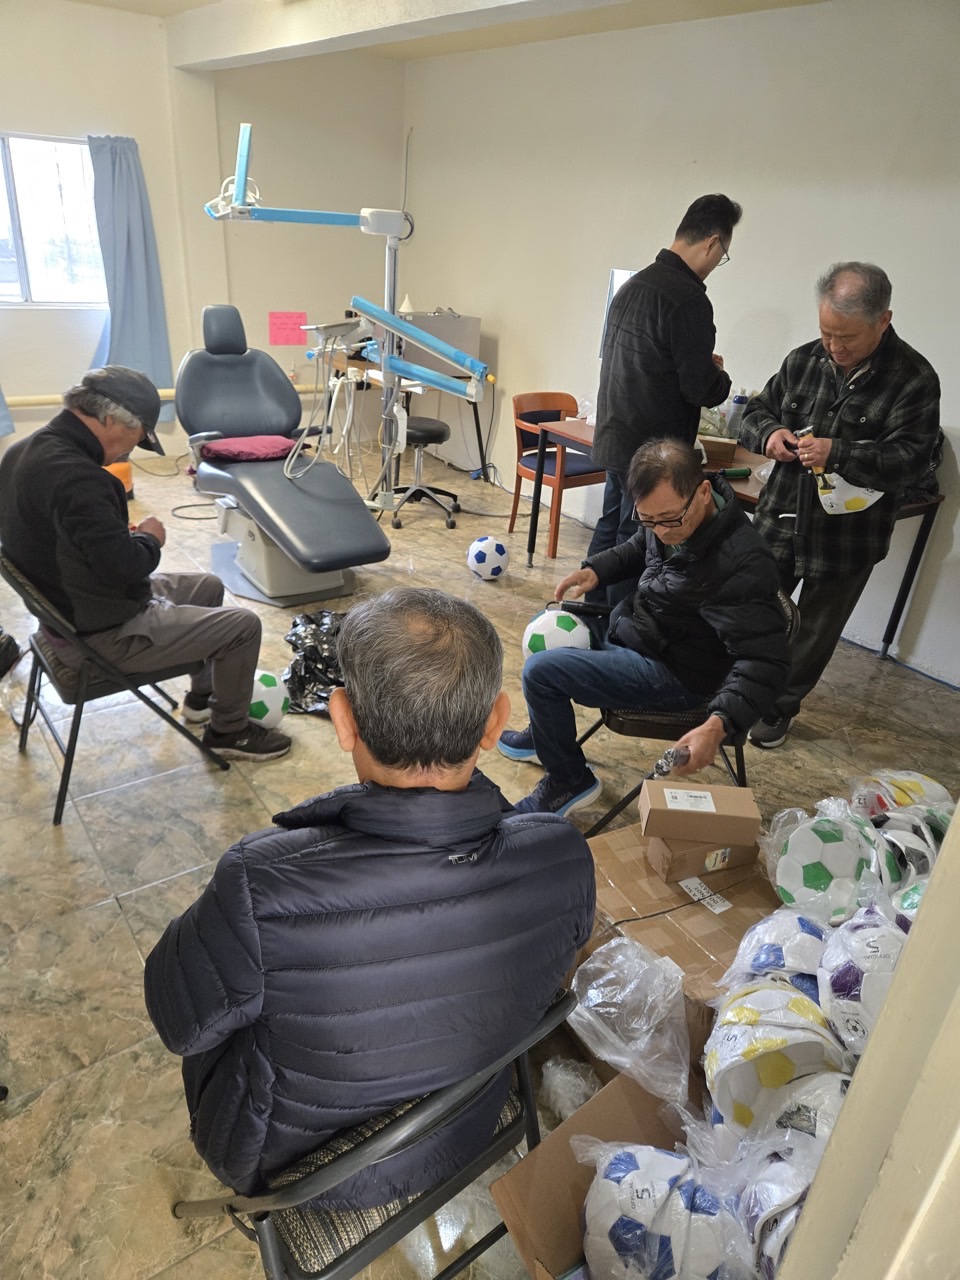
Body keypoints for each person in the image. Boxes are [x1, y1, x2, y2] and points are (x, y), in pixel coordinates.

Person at [143, 587, 595, 1206]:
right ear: (496, 723)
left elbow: (178, 1023)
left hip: (309, 1174)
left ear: (342, 719)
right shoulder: (563, 855)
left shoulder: (261, 883)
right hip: (469, 1123)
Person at [0, 365, 290, 760]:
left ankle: (201, 701)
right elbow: (127, 568)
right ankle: (229, 732)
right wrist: (150, 538)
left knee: (208, 586)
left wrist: (112, 534)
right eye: (137, 438)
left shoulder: (22, 452)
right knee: (243, 626)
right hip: (96, 635)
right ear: (110, 419)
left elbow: (60, 535)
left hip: (69, 608)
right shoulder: (82, 479)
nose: (130, 451)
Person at [498, 439, 790, 817]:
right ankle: (547, 734)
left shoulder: (741, 564)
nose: (661, 531)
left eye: (669, 519)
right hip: (645, 632)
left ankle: (569, 779)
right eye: (648, 519)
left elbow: (765, 661)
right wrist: (596, 570)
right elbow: (641, 546)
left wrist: (719, 723)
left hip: (678, 674)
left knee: (542, 672)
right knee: (549, 621)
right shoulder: (666, 516)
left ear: (703, 492)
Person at [739, 262, 941, 750]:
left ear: (883, 320)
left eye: (846, 337)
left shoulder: (913, 379)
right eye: (827, 332)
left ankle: (778, 708)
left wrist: (840, 453)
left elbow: (912, 460)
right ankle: (738, 691)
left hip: (847, 537)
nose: (834, 346)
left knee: (814, 632)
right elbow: (754, 412)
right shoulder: (803, 360)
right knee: (752, 610)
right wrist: (770, 434)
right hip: (781, 516)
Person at [588, 193, 742, 572]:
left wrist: (697, 365)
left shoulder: (633, 285)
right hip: (652, 453)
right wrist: (719, 376)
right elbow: (699, 388)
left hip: (614, 435)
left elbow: (648, 361)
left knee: (610, 530)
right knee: (636, 544)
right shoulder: (688, 300)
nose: (716, 264)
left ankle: (587, 604)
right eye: (722, 255)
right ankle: (620, 615)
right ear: (712, 243)